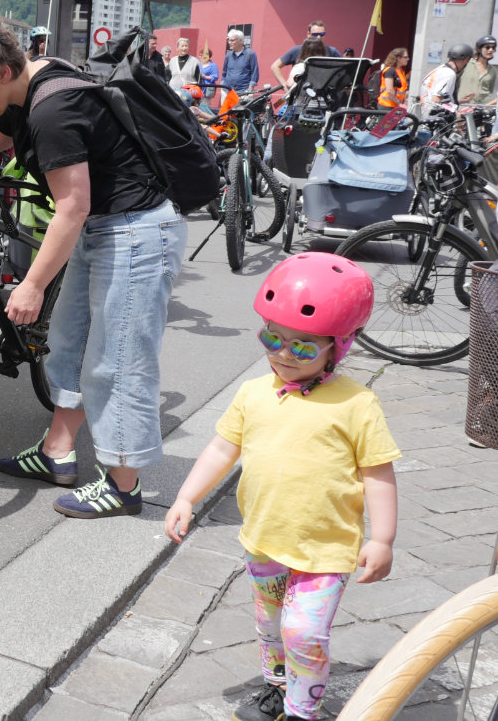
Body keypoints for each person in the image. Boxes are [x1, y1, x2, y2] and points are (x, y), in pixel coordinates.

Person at [0, 15, 187, 518]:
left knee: (117, 362)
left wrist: (30, 284)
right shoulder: (29, 84)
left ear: (2, 72)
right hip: (106, 227)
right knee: (68, 346)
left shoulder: (51, 109)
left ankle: (124, 485)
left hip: (137, 233)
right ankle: (57, 453)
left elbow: (72, 205)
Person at [166, 253, 398, 721]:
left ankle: (301, 711)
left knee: (305, 633)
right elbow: (219, 449)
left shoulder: (357, 403)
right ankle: (277, 687)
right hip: (266, 539)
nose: (284, 353)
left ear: (338, 347)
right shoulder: (253, 393)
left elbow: (378, 472)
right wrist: (186, 497)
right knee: (270, 624)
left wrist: (382, 538)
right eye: (272, 337)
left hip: (326, 548)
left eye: (304, 347)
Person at [271, 20, 341, 90]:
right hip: (301, 95)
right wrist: (285, 86)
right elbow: (275, 66)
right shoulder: (297, 51)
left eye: (322, 34)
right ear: (308, 34)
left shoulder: (332, 51)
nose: (319, 37)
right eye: (315, 34)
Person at [419, 42, 473, 115]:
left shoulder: (440, 69)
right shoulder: (449, 74)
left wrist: (457, 101)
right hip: (436, 119)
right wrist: (458, 113)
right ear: (465, 60)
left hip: (427, 116)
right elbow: (437, 99)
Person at [459, 35, 497, 104]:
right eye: (487, 47)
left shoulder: (493, 71)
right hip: (464, 107)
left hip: (482, 109)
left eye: (493, 47)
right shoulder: (467, 64)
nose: (491, 50)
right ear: (479, 49)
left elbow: (489, 91)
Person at [221, 29, 260, 94]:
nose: (229, 42)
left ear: (241, 40)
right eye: (229, 40)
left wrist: (250, 89)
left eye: (232, 40)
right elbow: (224, 72)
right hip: (228, 91)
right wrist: (223, 86)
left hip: (244, 92)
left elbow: (254, 73)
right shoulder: (228, 55)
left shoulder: (250, 54)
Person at [166, 36, 201, 104]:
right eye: (182, 46)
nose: (184, 48)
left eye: (186, 46)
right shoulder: (172, 61)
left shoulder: (195, 61)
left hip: (189, 96)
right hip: (174, 94)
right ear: (177, 48)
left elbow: (199, 80)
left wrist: (197, 99)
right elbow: (167, 77)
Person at [198, 45, 220, 111]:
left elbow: (215, 77)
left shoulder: (213, 65)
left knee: (204, 106)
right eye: (200, 55)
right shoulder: (198, 64)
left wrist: (205, 77)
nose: (200, 57)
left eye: (202, 55)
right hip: (198, 88)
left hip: (207, 89)